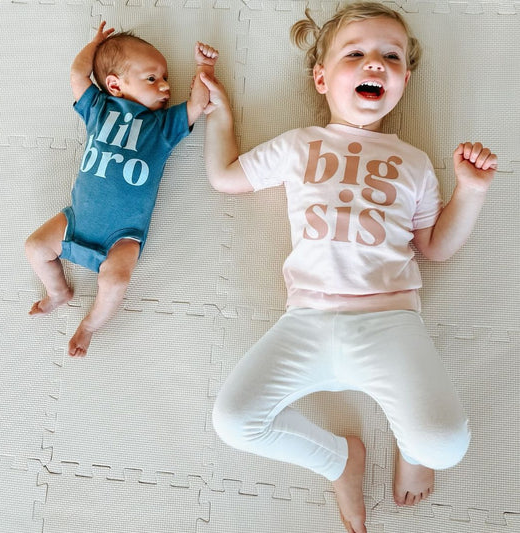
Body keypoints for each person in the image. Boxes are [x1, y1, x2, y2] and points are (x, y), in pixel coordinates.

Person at [200, 3, 497, 532]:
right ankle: (338, 459)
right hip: (306, 320)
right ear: (321, 78)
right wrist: (220, 111)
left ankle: (412, 448)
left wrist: (470, 192)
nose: (375, 64)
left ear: (405, 81)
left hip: (389, 321)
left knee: (445, 446)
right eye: (355, 54)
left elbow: (434, 246)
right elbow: (225, 176)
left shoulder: (414, 162)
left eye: (391, 57)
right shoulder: (300, 144)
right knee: (234, 421)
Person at [25, 22, 218, 357]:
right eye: (152, 78)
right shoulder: (99, 108)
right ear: (115, 84)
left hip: (123, 237)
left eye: (165, 77)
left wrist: (205, 68)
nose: (165, 86)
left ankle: (90, 325)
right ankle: (58, 292)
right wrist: (96, 44)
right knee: (35, 246)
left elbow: (197, 105)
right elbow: (78, 73)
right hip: (76, 220)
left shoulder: (163, 126)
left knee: (115, 281)